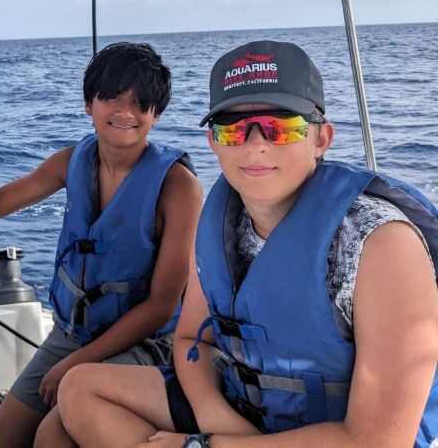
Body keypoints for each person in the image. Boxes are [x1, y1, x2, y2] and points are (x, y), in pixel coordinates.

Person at [57, 40, 438, 448]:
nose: (255, 144)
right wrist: (217, 422)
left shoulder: (382, 244)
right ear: (213, 143)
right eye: (233, 128)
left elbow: (376, 441)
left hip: (332, 435)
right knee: (79, 390)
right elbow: (190, 341)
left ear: (321, 139)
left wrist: (206, 446)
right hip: (243, 408)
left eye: (281, 127)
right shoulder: (220, 220)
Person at [0, 42, 202, 448]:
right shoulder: (70, 161)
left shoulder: (178, 187)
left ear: (156, 114)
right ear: (88, 105)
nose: (125, 111)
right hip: (73, 332)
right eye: (111, 97)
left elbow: (163, 305)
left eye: (139, 103)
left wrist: (78, 363)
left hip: (145, 343)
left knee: (52, 436)